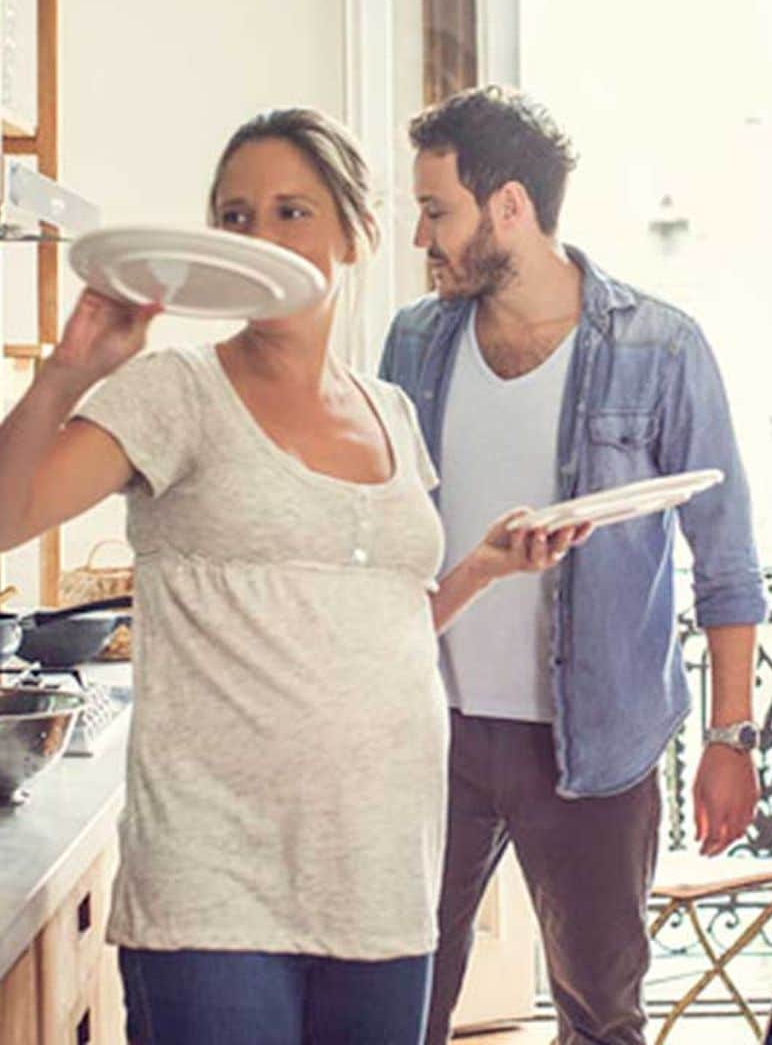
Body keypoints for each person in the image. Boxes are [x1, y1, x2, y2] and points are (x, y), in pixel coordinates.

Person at [0, 107, 584, 1045]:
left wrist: (478, 567)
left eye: (290, 212)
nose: (259, 238)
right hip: (215, 889)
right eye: (235, 217)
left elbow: (376, 622)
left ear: (353, 234)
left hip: (383, 876)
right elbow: (6, 516)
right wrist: (70, 370)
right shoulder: (176, 391)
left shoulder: (390, 411)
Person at [379, 85, 768, 1044]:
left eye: (438, 212)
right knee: (395, 1005)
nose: (422, 238)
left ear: (508, 207)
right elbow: (382, 534)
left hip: (595, 749)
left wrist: (731, 738)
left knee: (601, 1018)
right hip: (433, 734)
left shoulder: (660, 347)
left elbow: (726, 559)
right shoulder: (413, 343)